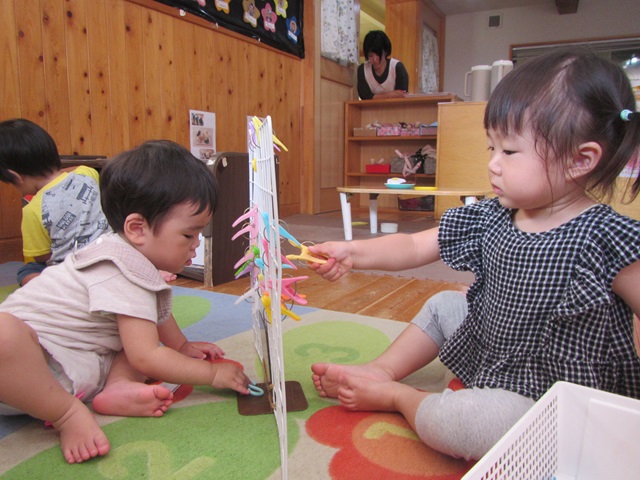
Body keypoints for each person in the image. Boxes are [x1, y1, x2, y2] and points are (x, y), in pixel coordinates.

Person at [308, 48, 640, 460]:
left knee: (465, 422)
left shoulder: (606, 237)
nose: (493, 165)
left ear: (580, 159)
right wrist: (352, 252)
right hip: (494, 348)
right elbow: (415, 245)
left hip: (548, 399)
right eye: (490, 148)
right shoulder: (492, 214)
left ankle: (397, 396)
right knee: (444, 305)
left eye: (509, 152)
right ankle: (380, 370)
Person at [0, 140, 252, 464]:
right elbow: (146, 357)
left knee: (134, 335)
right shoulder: (119, 268)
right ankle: (66, 414)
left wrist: (180, 346)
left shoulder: (129, 256)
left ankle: (118, 386)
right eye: (189, 235)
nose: (196, 245)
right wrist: (211, 375)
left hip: (75, 359)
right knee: (5, 333)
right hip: (26, 375)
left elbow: (151, 312)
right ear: (137, 229)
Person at [0, 119, 110, 286]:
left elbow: (42, 256)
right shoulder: (87, 174)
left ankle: (53, 288)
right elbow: (74, 171)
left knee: (27, 270)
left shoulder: (33, 209)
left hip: (71, 272)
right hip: (109, 259)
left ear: (15, 176)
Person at [357, 30, 409, 100]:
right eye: (371, 55)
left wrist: (373, 97)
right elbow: (365, 97)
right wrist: (391, 94)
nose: (375, 59)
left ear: (386, 52)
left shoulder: (397, 67)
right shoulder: (362, 70)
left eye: (378, 55)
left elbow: (402, 95)